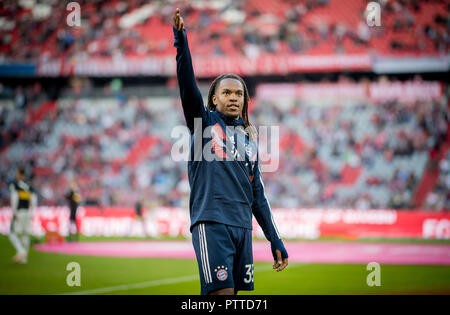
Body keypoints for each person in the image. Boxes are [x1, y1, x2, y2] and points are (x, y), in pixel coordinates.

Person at [172, 8, 288, 295]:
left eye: (239, 94)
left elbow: (258, 196)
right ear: (214, 98)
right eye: (227, 93)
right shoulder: (203, 123)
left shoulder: (249, 139)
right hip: (212, 222)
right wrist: (181, 41)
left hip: (243, 229)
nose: (234, 98)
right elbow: (187, 85)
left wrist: (275, 239)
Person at [8, 167, 37, 264]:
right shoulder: (29, 186)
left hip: (19, 211)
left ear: (19, 174)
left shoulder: (15, 184)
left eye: (17, 173)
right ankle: (24, 259)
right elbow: (34, 201)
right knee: (25, 234)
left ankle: (21, 251)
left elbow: (14, 198)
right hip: (28, 212)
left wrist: (14, 211)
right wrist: (32, 213)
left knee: (12, 233)